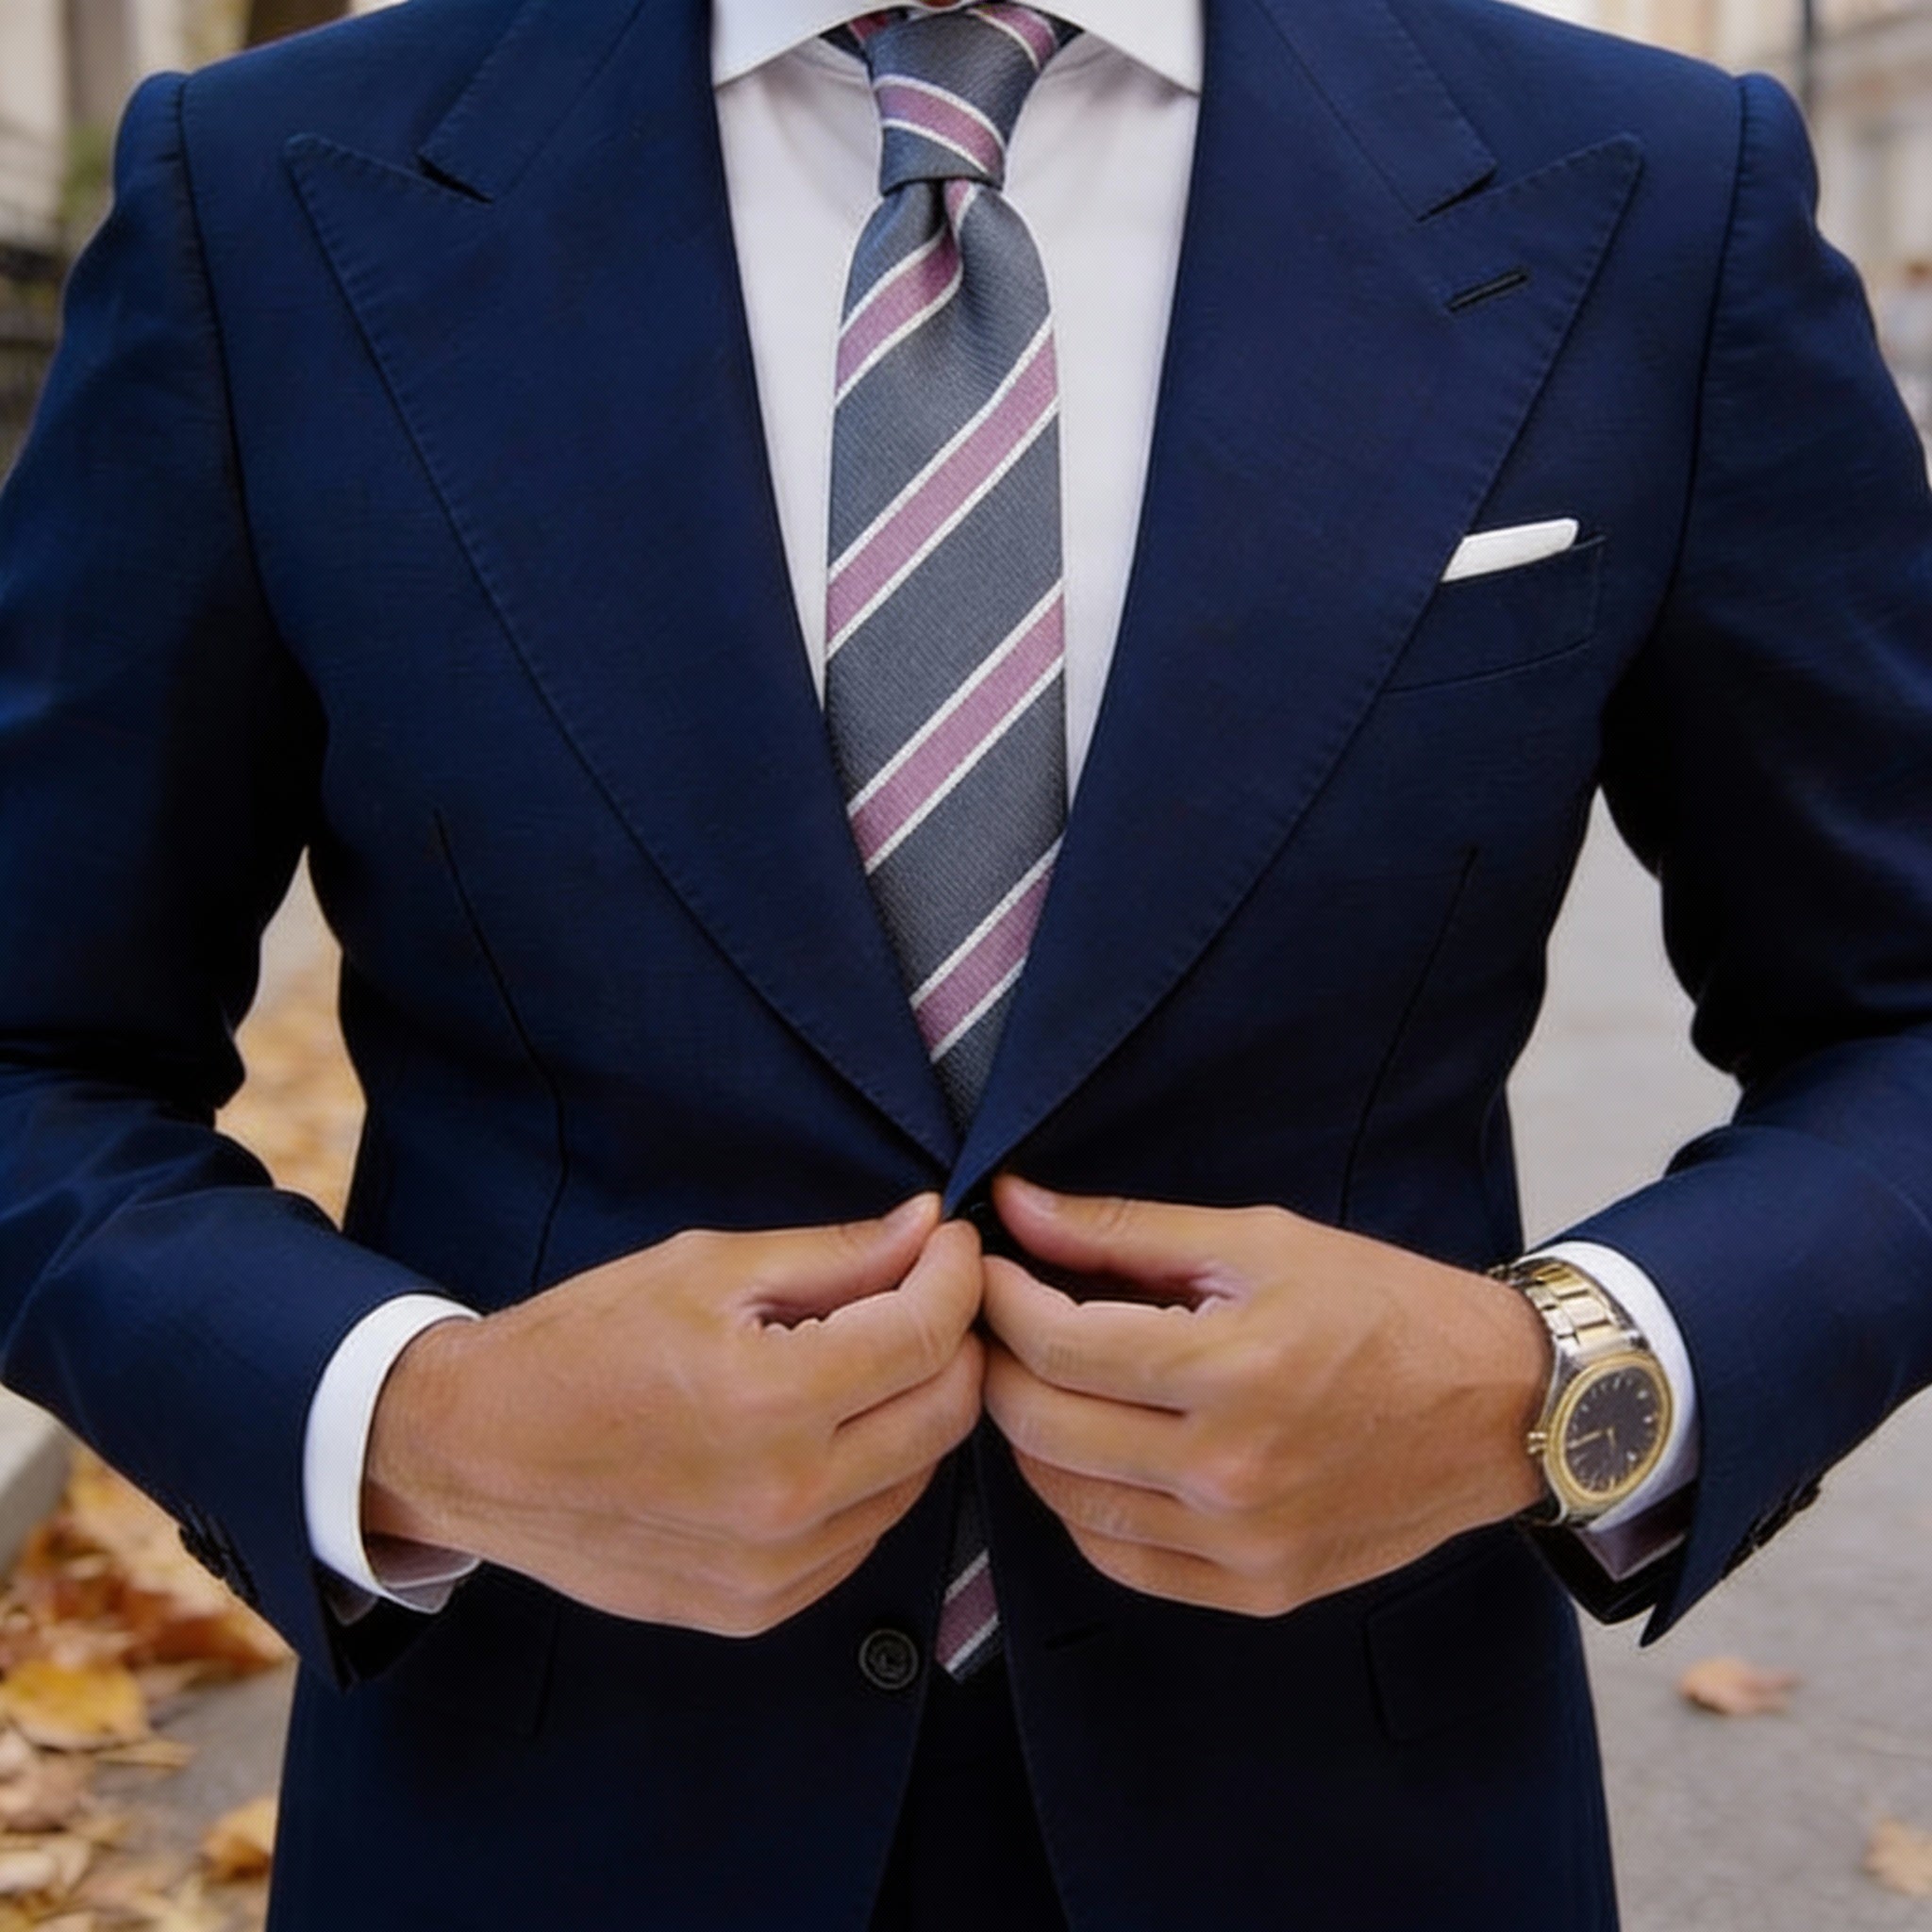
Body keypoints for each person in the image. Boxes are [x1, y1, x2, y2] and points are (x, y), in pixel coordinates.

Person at [2, 0, 1930, 1924]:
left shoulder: (1654, 192)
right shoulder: (262, 197)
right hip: (536, 1811)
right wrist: (416, 1427)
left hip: (1353, 1817)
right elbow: (39, 1053)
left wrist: (1558, 1378)